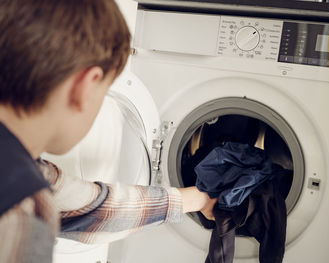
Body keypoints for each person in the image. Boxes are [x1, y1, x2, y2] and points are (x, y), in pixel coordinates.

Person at [0, 0, 217, 262]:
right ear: (86, 86)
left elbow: (89, 209)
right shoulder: (21, 207)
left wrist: (198, 200)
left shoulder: (26, 172)